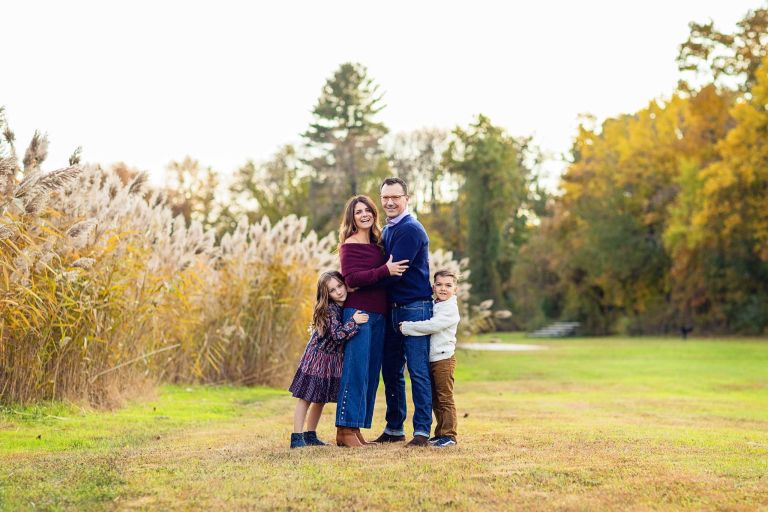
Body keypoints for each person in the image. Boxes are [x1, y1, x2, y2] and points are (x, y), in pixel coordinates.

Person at [335, 195, 409, 447]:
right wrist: (384, 271)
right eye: (358, 212)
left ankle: (356, 430)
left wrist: (383, 273)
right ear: (352, 217)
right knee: (355, 371)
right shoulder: (349, 245)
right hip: (359, 314)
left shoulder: (379, 246)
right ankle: (344, 429)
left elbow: (378, 278)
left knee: (369, 374)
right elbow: (352, 279)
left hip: (380, 315)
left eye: (368, 210)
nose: (364, 214)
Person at [375, 177, 435, 447]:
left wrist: (363, 280)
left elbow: (395, 274)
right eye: (385, 197)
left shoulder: (410, 230)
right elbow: (387, 271)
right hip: (394, 309)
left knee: (418, 370)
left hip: (415, 308)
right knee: (391, 370)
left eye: (395, 197)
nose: (389, 202)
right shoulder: (388, 230)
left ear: (406, 198)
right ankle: (394, 427)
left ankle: (422, 430)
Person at [288, 271, 369, 449]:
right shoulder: (329, 309)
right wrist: (354, 321)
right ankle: (296, 437)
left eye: (340, 286)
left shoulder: (344, 305)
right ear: (327, 295)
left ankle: (310, 434)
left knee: (320, 398)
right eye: (333, 290)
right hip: (317, 357)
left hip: (331, 359)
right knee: (306, 397)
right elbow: (338, 335)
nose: (339, 292)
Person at [399, 270, 461, 448]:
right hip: (433, 359)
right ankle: (440, 433)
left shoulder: (450, 308)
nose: (443, 288)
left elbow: (433, 326)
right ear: (433, 287)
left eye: (448, 285)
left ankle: (449, 435)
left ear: (455, 289)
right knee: (435, 398)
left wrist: (408, 327)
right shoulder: (436, 304)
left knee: (444, 398)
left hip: (444, 359)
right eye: (439, 284)